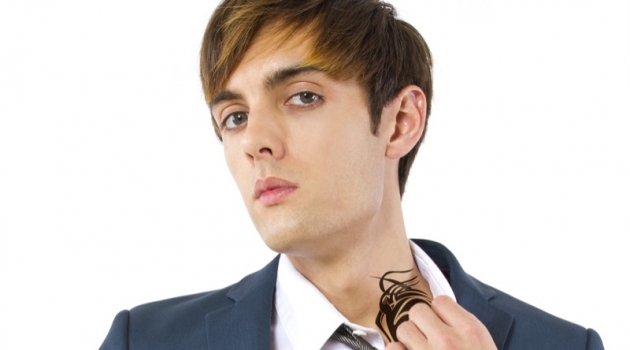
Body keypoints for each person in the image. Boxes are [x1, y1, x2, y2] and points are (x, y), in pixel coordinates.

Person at [100, 0, 605, 349]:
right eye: (235, 116)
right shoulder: (144, 342)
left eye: (302, 97)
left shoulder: (562, 346)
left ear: (400, 122)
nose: (255, 141)